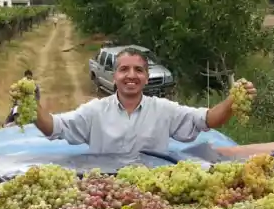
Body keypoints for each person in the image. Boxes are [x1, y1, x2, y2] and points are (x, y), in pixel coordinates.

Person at [33, 47, 258, 154]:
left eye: (138, 70)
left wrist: (232, 101)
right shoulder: (95, 111)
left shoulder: (163, 110)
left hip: (151, 194)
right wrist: (31, 106)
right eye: (124, 70)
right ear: (114, 76)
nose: (131, 75)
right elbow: (54, 127)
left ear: (146, 77)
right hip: (104, 192)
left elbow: (208, 120)